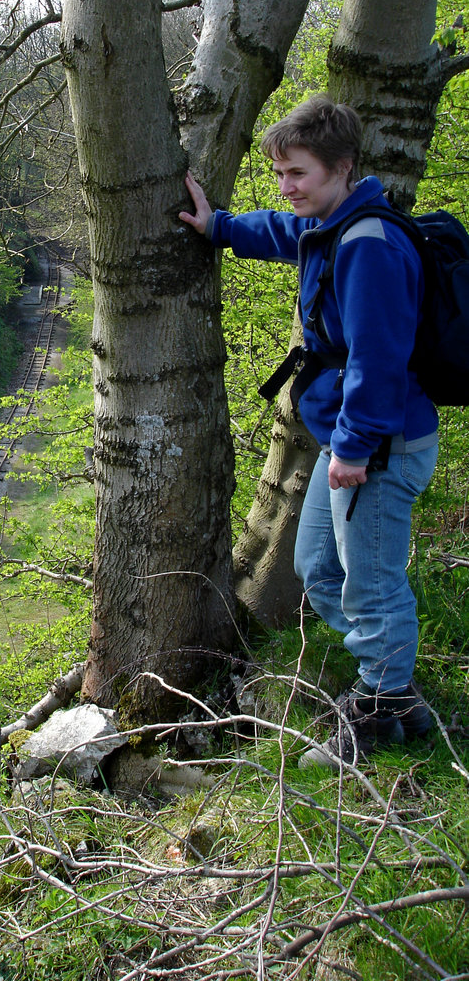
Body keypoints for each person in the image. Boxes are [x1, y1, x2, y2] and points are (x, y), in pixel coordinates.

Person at [180, 95, 438, 769]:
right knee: (318, 569)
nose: (287, 187)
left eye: (298, 173)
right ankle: (394, 685)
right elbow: (278, 231)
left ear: (342, 167)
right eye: (281, 174)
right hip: (349, 443)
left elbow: (379, 362)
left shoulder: (370, 247)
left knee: (371, 583)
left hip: (378, 445)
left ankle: (377, 714)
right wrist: (219, 228)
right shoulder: (331, 224)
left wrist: (352, 448)